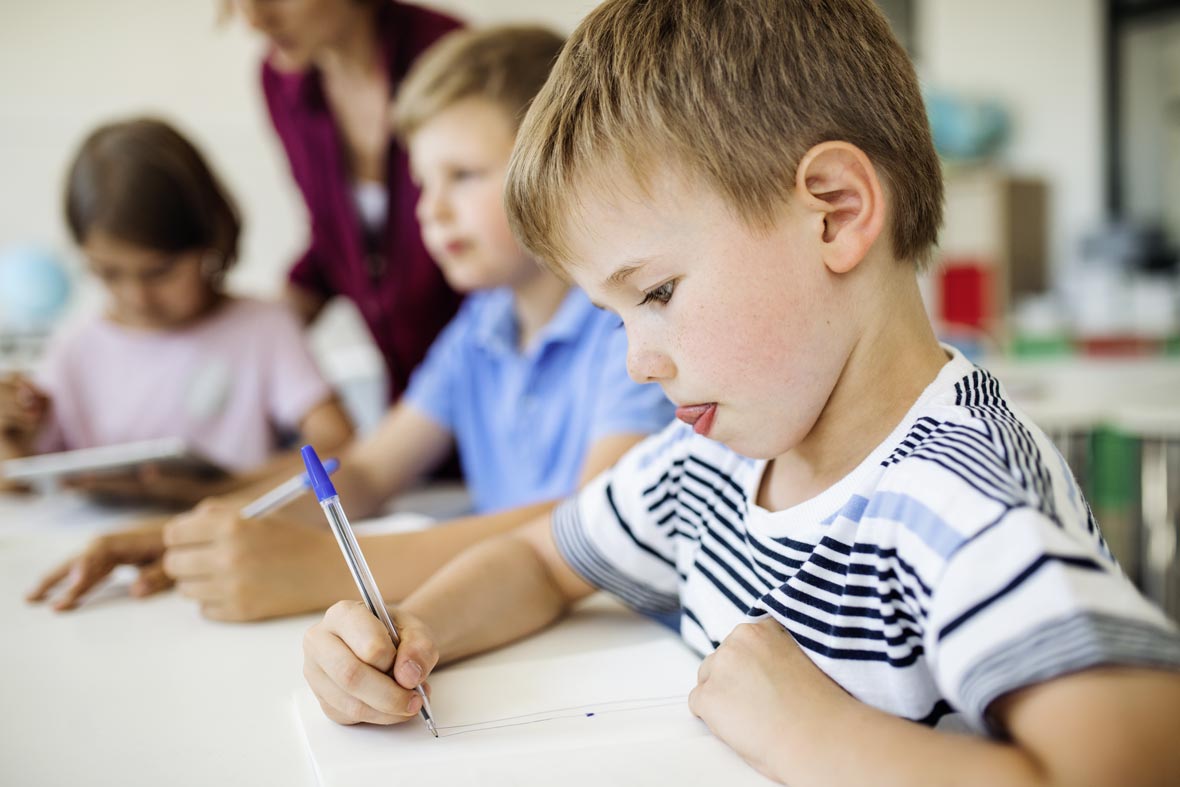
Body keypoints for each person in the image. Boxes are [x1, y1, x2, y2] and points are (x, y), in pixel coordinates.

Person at [301, 2, 1180, 785]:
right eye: (614, 318)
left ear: (833, 212)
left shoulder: (961, 501)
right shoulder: (706, 462)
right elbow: (540, 560)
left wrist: (811, 733)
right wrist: (409, 633)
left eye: (655, 295)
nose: (638, 362)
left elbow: (1135, 761)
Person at [28, 27, 674, 623]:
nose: (432, 211)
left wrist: (326, 567)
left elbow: (591, 522)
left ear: (555, 173)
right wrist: (191, 534)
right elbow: (364, 474)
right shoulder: (477, 330)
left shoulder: (626, 330)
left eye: (463, 176)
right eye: (422, 182)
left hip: (605, 632)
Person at [0, 117, 352, 509]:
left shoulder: (263, 329)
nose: (137, 296)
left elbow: (338, 441)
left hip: (231, 539)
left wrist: (226, 487)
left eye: (159, 271)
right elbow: (16, 483)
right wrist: (10, 438)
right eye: (108, 273)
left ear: (209, 240)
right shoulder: (75, 349)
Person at [237, 0, 464, 403]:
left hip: (484, 372)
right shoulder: (281, 81)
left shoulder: (448, 56)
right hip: (406, 392)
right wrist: (250, 334)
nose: (255, 19)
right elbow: (332, 241)